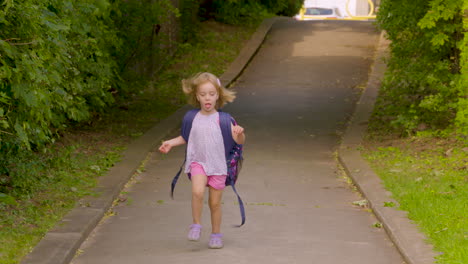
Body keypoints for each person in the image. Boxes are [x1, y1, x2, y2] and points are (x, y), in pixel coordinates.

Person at [158, 72, 246, 249]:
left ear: (218, 96)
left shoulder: (224, 119)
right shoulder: (192, 117)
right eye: (203, 94)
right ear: (197, 96)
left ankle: (216, 234)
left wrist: (239, 133)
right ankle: (196, 224)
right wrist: (170, 143)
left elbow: (239, 142)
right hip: (198, 162)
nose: (208, 98)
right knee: (197, 192)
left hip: (219, 166)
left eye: (212, 94)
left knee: (214, 204)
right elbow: (186, 137)